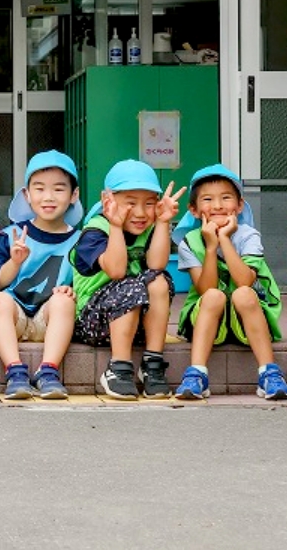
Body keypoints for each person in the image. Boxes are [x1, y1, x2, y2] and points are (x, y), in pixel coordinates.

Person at [170, 165, 287, 400]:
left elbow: (244, 280)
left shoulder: (248, 236)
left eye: (226, 198)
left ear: (240, 205)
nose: (217, 206)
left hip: (249, 316)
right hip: (207, 316)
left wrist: (224, 239)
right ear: (193, 210)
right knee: (214, 296)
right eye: (207, 199)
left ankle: (269, 373)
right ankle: (197, 373)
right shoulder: (190, 241)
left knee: (243, 293)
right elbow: (206, 289)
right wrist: (211, 246)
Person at [70, 160, 182, 401]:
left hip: (137, 324)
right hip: (92, 323)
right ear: (107, 199)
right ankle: (118, 368)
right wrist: (116, 226)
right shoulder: (95, 232)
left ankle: (152, 364)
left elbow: (157, 265)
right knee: (131, 286)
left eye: (149, 203)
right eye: (130, 203)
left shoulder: (151, 229)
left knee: (159, 280)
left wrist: (163, 222)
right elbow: (117, 271)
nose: (141, 213)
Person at [0, 150, 83, 400]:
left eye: (59, 189)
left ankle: (48, 371)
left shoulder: (81, 240)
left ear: (74, 195)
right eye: (39, 189)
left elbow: (88, 282)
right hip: (12, 319)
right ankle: (15, 371)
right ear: (27, 195)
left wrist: (71, 291)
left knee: (63, 301)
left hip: (50, 321)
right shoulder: (11, 235)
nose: (48, 197)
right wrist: (14, 263)